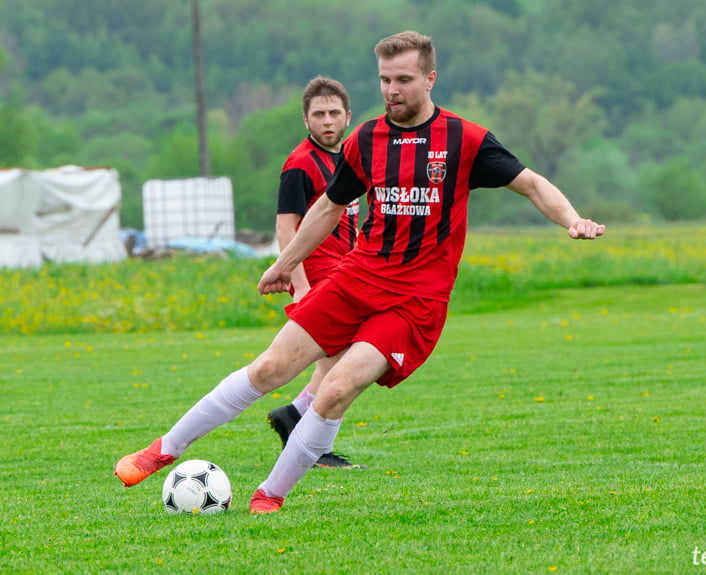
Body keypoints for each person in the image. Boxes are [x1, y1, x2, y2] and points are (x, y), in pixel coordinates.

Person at [114, 30, 605, 514]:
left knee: (335, 389)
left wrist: (572, 220)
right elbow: (328, 208)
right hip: (355, 279)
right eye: (385, 80)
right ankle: (163, 450)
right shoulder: (367, 138)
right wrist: (284, 265)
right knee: (269, 368)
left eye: (404, 79)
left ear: (430, 79)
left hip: (414, 302)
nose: (392, 90)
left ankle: (270, 495)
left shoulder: (463, 139)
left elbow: (532, 184)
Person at [266, 76, 364, 469]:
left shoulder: (345, 158)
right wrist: (299, 284)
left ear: (348, 117)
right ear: (305, 120)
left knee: (342, 360)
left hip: (346, 269)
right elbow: (285, 226)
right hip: (320, 272)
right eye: (318, 114)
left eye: (334, 113)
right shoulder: (300, 163)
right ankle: (313, 442)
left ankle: (296, 416)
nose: (327, 121)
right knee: (346, 361)